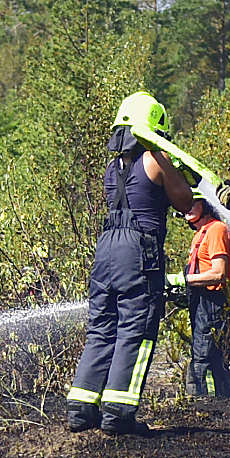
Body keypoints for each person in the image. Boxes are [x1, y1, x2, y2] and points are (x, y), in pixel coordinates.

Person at [64, 91, 186, 436]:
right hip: (138, 251)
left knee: (102, 328)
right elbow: (183, 200)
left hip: (106, 251)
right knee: (136, 327)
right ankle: (118, 414)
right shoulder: (154, 159)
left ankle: (81, 409)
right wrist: (170, 164)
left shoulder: (111, 166)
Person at [181, 193, 230, 398]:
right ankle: (220, 404)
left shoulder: (216, 230)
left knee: (204, 359)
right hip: (201, 303)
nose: (187, 207)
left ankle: (207, 407)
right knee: (206, 358)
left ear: (206, 205)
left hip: (213, 304)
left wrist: (184, 280)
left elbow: (218, 273)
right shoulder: (201, 233)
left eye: (192, 203)